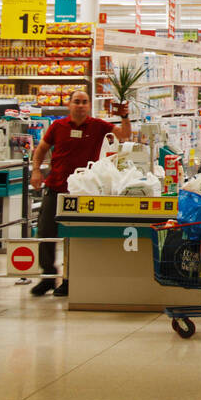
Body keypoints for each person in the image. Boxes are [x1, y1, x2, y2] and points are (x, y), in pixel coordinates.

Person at [29, 89, 131, 296]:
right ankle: (47, 275)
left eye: (85, 102)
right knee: (45, 232)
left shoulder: (98, 126)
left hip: (83, 192)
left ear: (89, 105)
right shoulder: (58, 126)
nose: (81, 105)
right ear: (69, 105)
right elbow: (41, 149)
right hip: (55, 186)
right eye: (77, 101)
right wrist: (37, 170)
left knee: (75, 236)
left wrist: (124, 116)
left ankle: (69, 279)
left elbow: (125, 135)